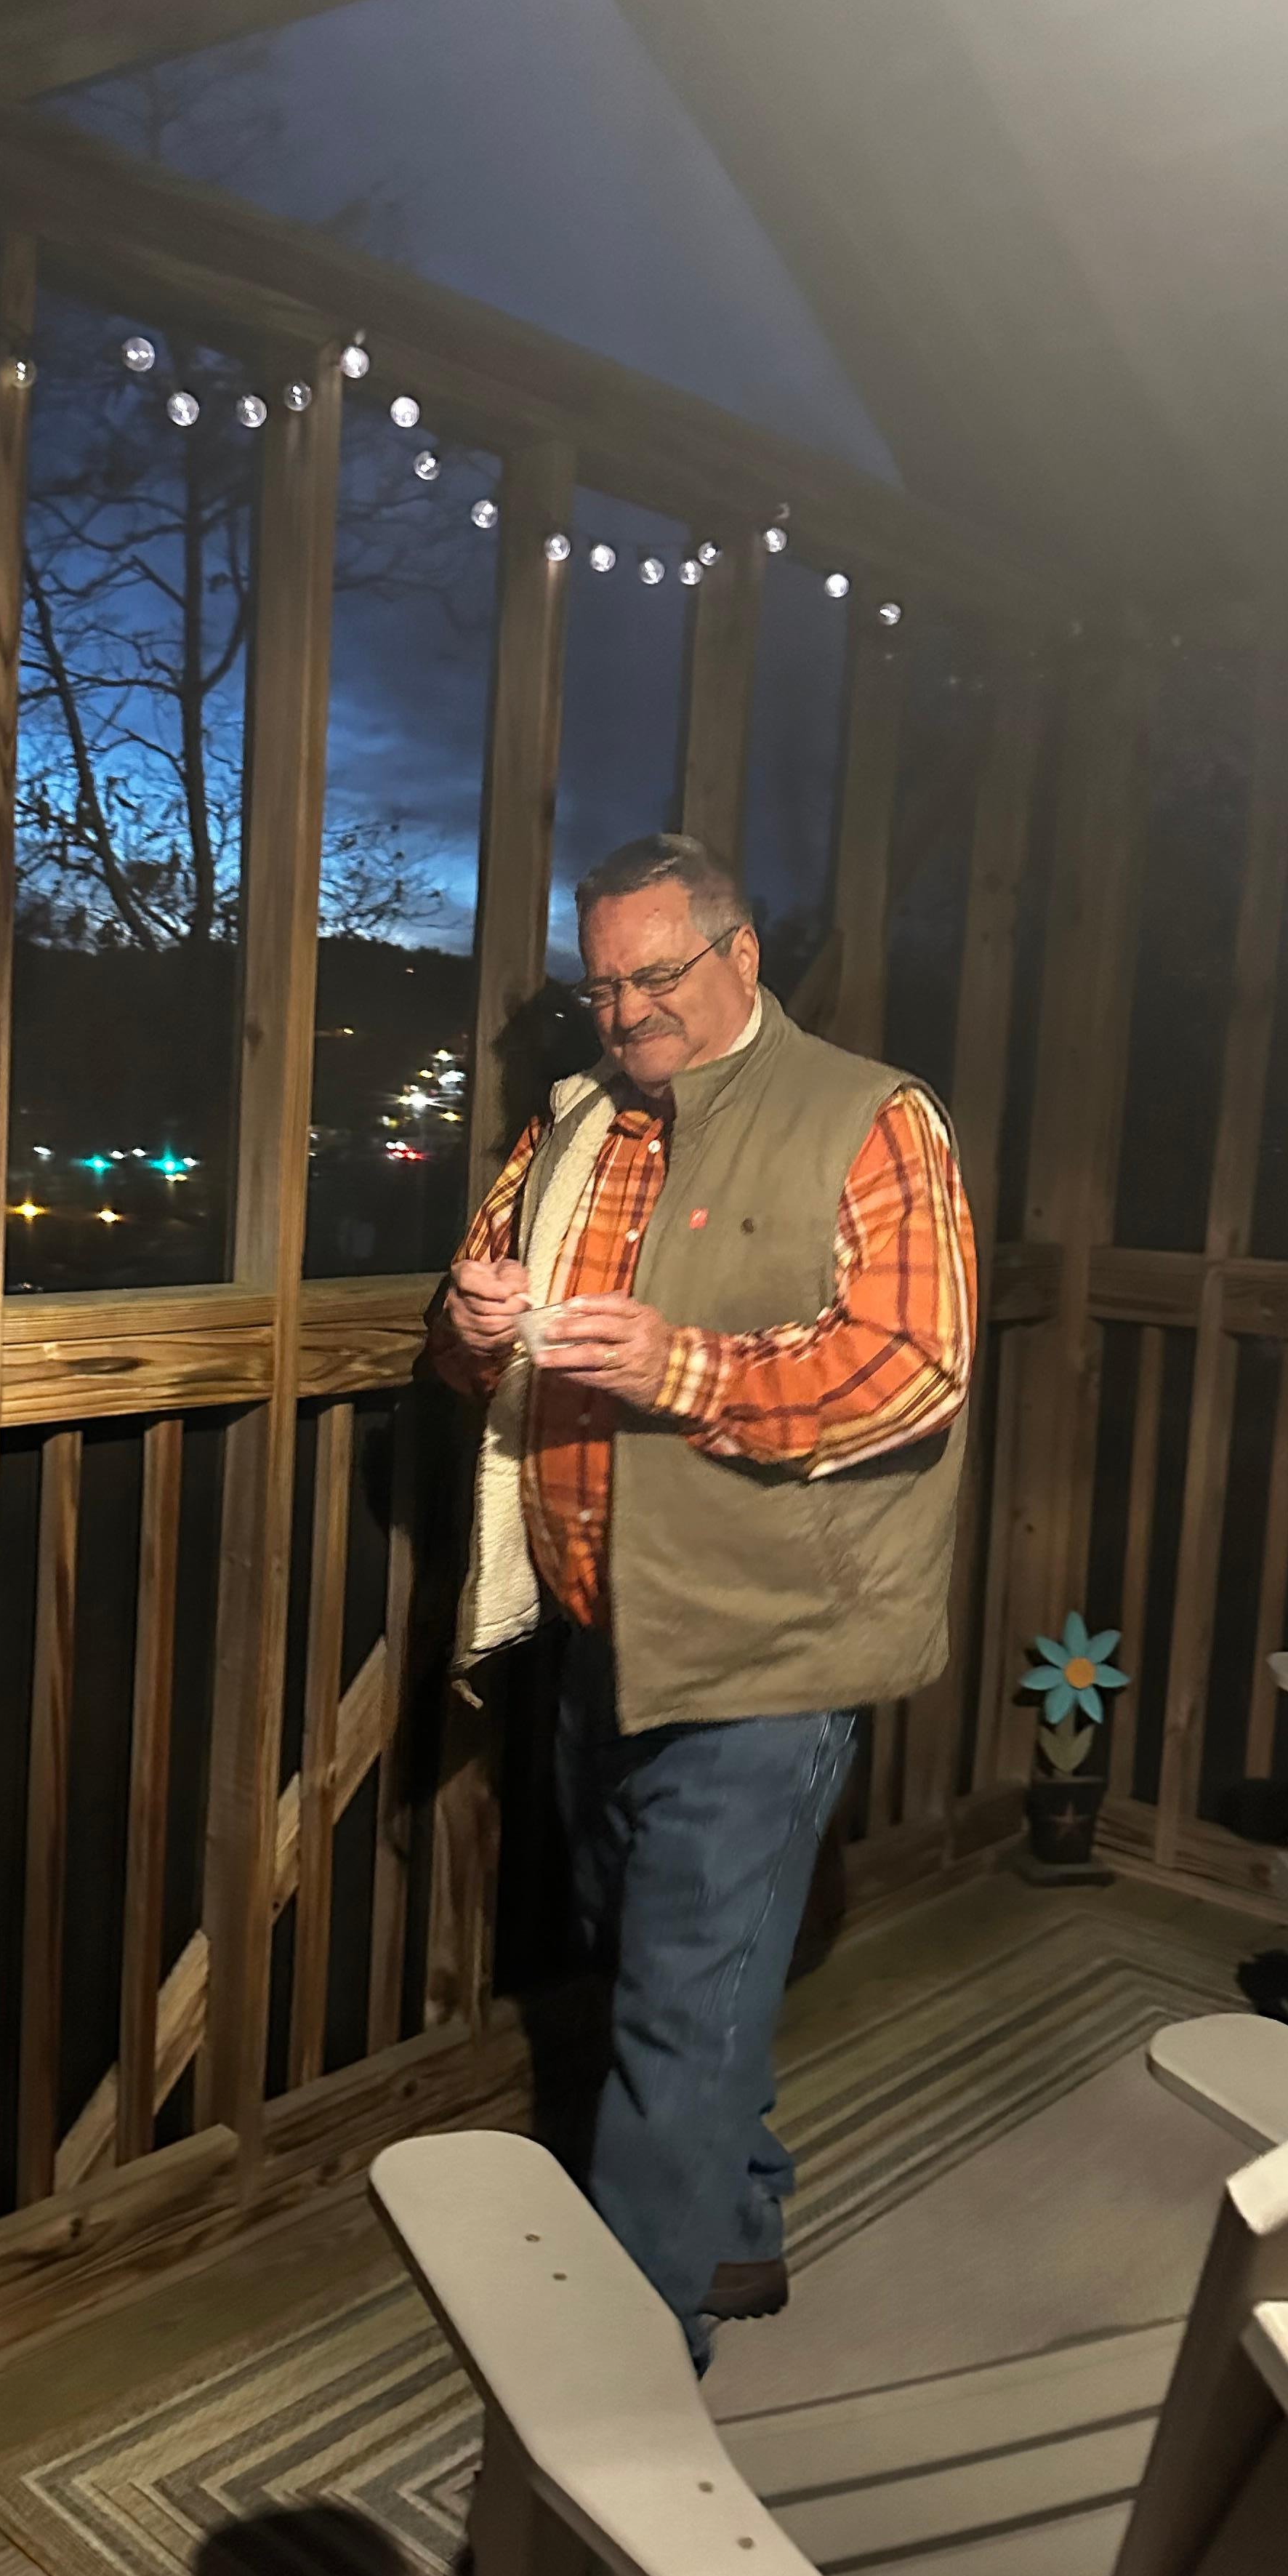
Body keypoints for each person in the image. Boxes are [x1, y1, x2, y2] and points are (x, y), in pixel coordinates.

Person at [431, 832, 977, 2370]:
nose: (624, 1010)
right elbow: (469, 1344)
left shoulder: (871, 1116)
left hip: (771, 1641)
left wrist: (680, 1368)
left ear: (744, 956)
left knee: (675, 2006)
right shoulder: (575, 1127)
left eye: (656, 975)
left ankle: (619, 2389)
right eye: (601, 981)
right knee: (657, 1961)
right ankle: (736, 2228)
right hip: (604, 1624)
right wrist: (471, 1326)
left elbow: (912, 1371)